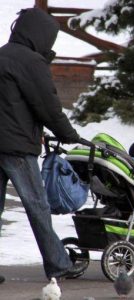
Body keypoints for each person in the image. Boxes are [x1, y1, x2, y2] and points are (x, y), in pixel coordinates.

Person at [0, 8, 85, 279]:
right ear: (40, 35)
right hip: (16, 146)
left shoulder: (2, 54)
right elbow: (46, 104)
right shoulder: (30, 61)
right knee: (37, 205)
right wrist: (68, 133)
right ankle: (59, 264)